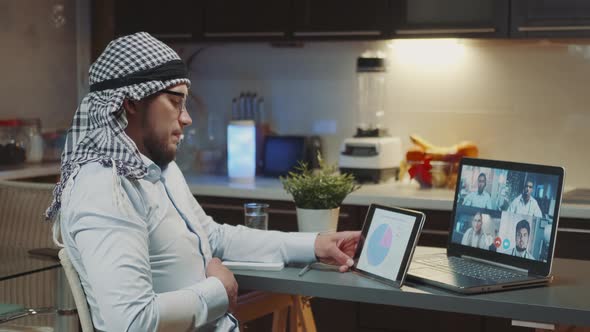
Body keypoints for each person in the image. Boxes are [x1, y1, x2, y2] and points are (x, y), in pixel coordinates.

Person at [45, 32, 361, 332]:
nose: (186, 118)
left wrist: (316, 244)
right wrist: (219, 290)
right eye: (174, 101)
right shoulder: (105, 188)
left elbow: (213, 237)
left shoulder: (158, 170)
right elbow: (130, 323)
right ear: (131, 102)